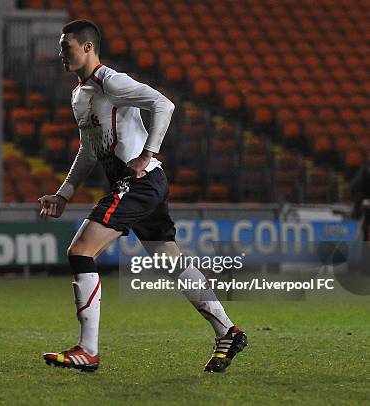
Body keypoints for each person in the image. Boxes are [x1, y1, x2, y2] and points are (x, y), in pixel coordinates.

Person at [38, 20, 247, 373]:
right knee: (171, 262)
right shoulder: (79, 95)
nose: (62, 54)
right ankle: (227, 331)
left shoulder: (112, 82)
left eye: (66, 46)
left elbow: (164, 104)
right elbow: (89, 151)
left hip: (139, 180)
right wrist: (64, 194)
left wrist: (147, 152)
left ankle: (88, 350)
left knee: (80, 251)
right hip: (141, 182)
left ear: (88, 48)